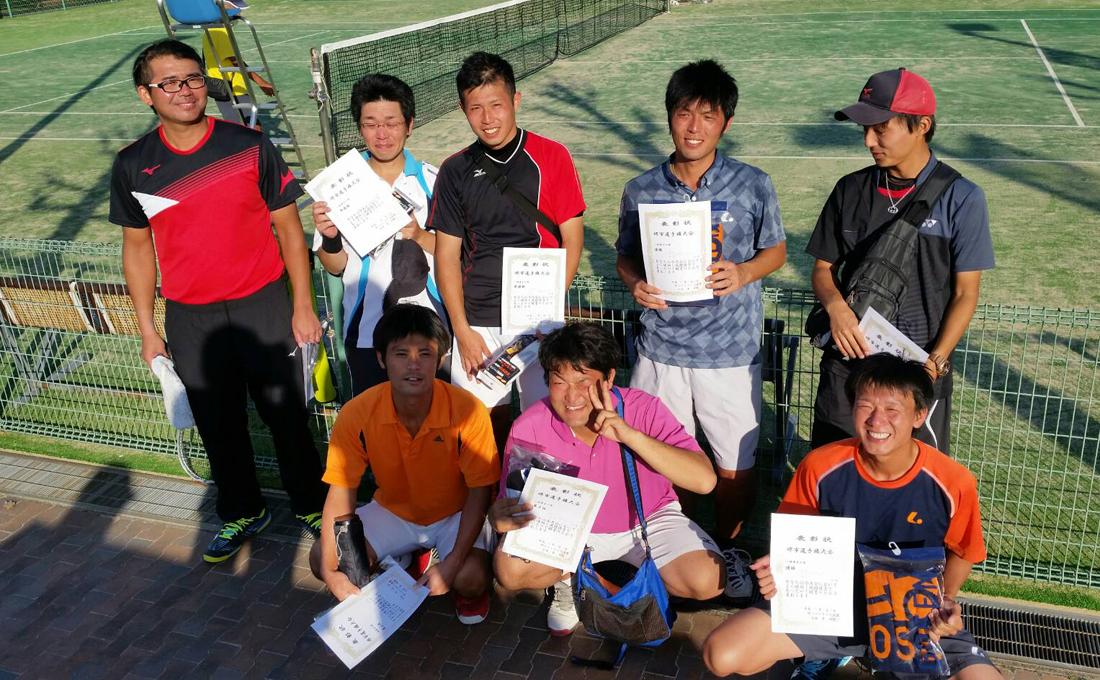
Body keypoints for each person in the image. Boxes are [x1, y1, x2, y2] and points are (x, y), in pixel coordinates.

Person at [109, 39, 327, 563]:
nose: (184, 90)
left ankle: (312, 504)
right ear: (146, 94)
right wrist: (147, 329)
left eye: (192, 78)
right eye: (169, 82)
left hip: (264, 304)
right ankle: (243, 511)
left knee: (287, 415)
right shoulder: (133, 164)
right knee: (218, 424)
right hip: (191, 318)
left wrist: (301, 305)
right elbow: (137, 250)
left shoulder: (249, 145)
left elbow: (288, 228)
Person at [702, 354, 998, 680]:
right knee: (723, 653)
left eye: (892, 409)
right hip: (829, 608)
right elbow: (794, 540)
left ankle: (886, 660)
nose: (877, 420)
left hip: (913, 614)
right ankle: (825, 654)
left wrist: (945, 600)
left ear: (919, 415)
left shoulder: (953, 481)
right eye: (865, 405)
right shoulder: (820, 466)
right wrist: (780, 569)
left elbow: (965, 550)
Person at [615, 59, 786, 597]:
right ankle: (683, 553)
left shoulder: (753, 184)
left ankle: (729, 550)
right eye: (684, 113)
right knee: (665, 461)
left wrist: (744, 273)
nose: (694, 127)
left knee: (734, 467)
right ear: (669, 116)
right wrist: (635, 283)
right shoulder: (641, 189)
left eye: (707, 116)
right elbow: (625, 256)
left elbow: (776, 250)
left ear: (725, 123)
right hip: (660, 350)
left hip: (730, 353)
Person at [490, 322, 728, 637]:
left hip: (649, 518)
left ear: (609, 378)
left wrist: (629, 435)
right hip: (570, 529)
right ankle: (571, 581)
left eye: (583, 381)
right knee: (509, 571)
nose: (572, 396)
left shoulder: (643, 408)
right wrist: (499, 519)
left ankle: (633, 582)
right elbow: (513, 503)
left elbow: (704, 481)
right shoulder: (529, 425)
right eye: (559, 382)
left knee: (708, 579)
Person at [807, 68, 994, 455]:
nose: (868, 141)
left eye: (880, 129)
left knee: (910, 481)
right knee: (834, 473)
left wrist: (933, 364)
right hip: (847, 369)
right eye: (865, 129)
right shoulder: (849, 189)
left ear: (921, 125)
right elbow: (823, 268)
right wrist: (837, 309)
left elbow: (966, 294)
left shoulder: (962, 198)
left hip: (917, 375)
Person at [430, 51, 586, 450]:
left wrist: (547, 307)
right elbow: (446, 255)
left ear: (515, 100)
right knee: (479, 433)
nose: (488, 119)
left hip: (538, 323)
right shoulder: (454, 170)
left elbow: (573, 238)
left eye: (496, 105)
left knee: (546, 426)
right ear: (462, 109)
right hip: (477, 321)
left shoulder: (552, 156)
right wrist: (462, 330)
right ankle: (488, 492)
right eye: (475, 108)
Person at [309, 304, 499, 624]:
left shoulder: (469, 411)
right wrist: (330, 572)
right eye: (400, 354)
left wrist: (451, 564)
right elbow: (341, 491)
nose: (414, 364)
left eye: (425, 353)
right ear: (381, 359)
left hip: (455, 513)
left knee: (470, 578)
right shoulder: (357, 413)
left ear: (440, 359)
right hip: (392, 511)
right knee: (321, 556)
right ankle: (409, 556)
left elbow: (480, 491)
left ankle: (464, 589)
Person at [312, 73, 448, 395]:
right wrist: (330, 237)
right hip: (366, 334)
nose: (381, 134)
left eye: (391, 123)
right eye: (370, 124)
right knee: (374, 420)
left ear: (409, 125)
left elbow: (456, 252)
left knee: (435, 419)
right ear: (360, 128)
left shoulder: (436, 181)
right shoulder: (338, 185)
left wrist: (418, 235)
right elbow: (335, 266)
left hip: (433, 332)